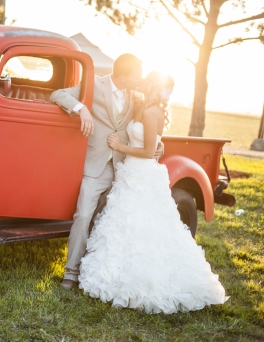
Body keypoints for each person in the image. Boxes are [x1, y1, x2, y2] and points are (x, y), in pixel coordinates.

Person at [79, 71, 228, 313]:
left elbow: (149, 152)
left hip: (142, 173)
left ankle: (145, 281)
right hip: (130, 173)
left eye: (148, 82)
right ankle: (117, 272)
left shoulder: (151, 112)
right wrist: (159, 143)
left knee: (143, 227)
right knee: (123, 226)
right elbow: (155, 141)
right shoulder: (139, 107)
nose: (143, 83)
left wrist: (120, 146)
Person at [50, 53, 153, 290]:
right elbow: (58, 94)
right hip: (95, 166)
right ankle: (71, 272)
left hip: (123, 168)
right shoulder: (95, 84)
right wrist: (82, 109)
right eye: (137, 74)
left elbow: (149, 124)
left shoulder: (136, 96)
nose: (140, 78)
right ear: (123, 75)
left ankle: (102, 274)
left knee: (112, 223)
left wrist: (159, 145)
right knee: (84, 216)